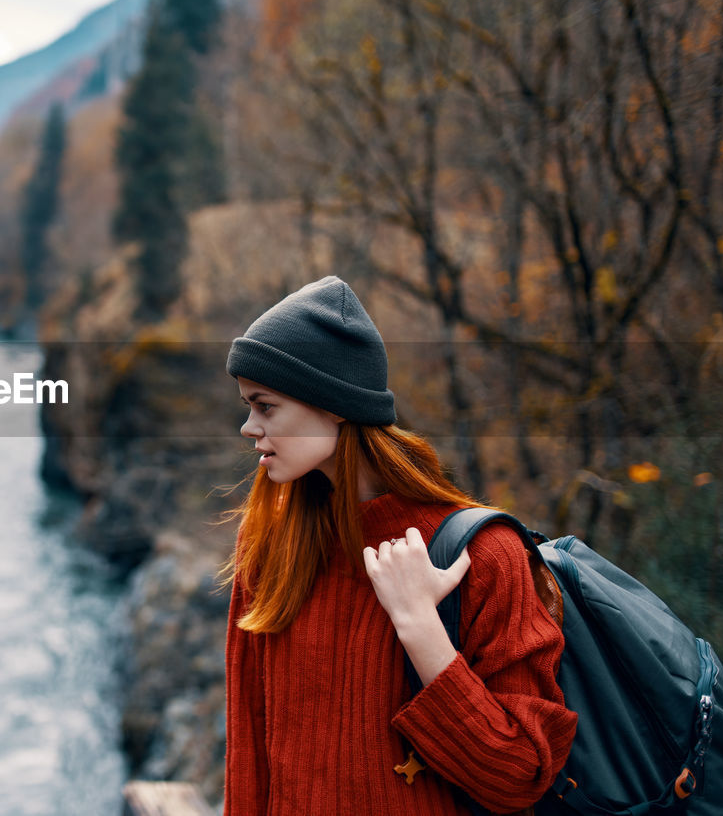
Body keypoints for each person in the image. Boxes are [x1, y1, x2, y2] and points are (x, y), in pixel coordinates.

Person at [222, 277, 577, 815]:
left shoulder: (483, 555)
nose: (249, 427)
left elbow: (520, 774)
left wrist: (418, 625)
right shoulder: (270, 542)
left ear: (333, 404)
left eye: (265, 406)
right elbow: (250, 746)